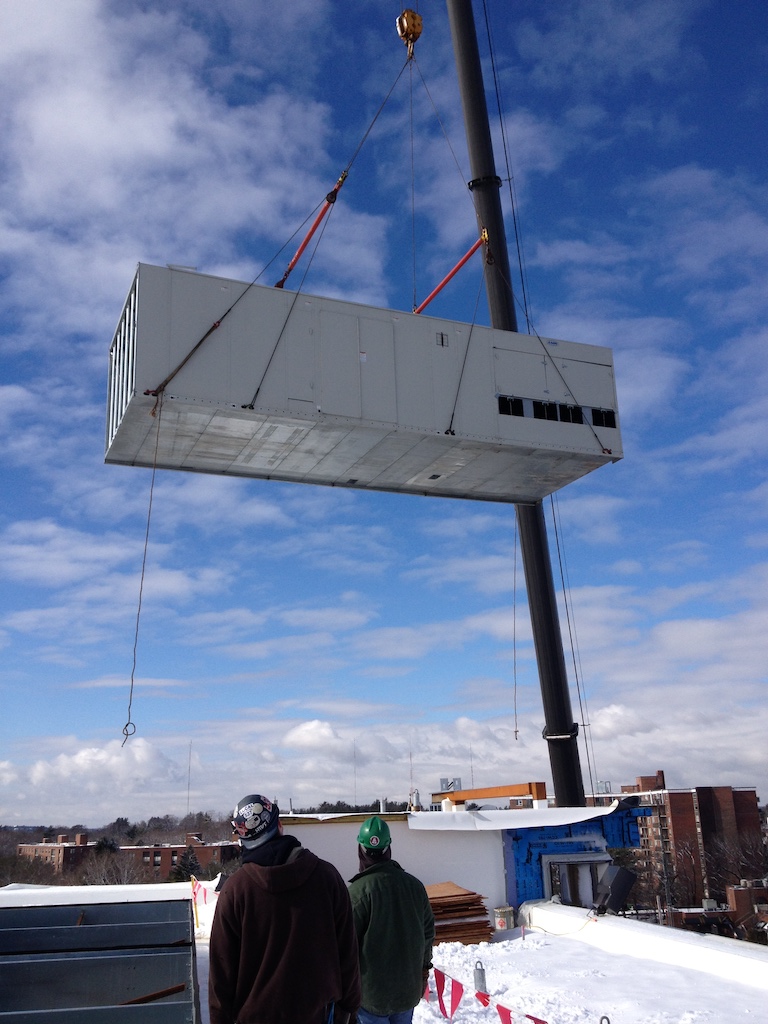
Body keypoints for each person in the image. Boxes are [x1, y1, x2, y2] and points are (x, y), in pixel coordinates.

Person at [209, 793, 361, 1024]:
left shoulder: (235, 892)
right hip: (319, 1016)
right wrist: (349, 1009)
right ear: (279, 825)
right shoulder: (327, 878)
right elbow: (348, 954)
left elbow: (221, 974)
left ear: (243, 838)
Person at [347, 816, 435, 1024]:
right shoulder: (415, 886)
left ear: (361, 850)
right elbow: (428, 934)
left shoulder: (357, 893)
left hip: (371, 998)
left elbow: (345, 947)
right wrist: (423, 971)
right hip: (407, 993)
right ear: (388, 849)